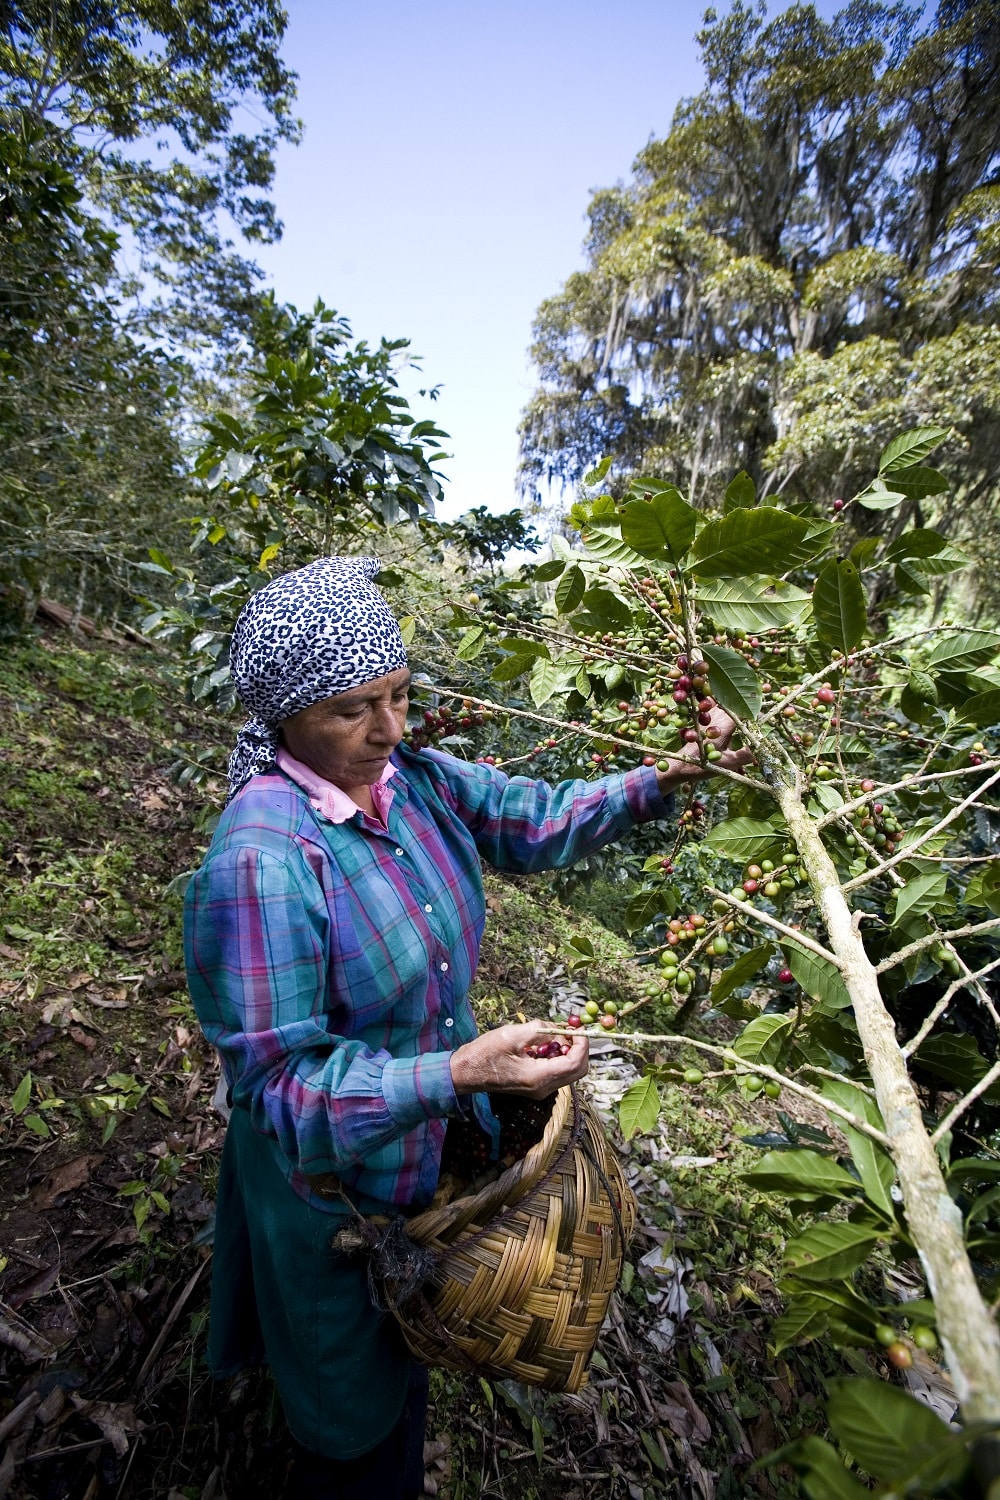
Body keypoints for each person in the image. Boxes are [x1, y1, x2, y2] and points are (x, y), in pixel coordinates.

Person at [183, 556, 750, 1498]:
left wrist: (668, 776)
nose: (389, 729)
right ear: (284, 715)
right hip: (336, 1196)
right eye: (352, 711)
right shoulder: (264, 859)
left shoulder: (413, 780)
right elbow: (283, 1093)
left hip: (419, 1170)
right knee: (352, 1424)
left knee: (408, 1354)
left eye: (401, 696)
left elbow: (533, 818)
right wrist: (456, 1074)